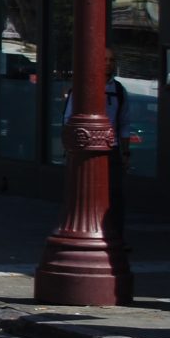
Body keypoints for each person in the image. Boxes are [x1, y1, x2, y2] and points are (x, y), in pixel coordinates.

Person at [65, 46, 132, 251]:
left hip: (110, 149)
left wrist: (125, 152)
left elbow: (125, 123)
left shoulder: (118, 90)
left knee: (115, 196)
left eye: (112, 60)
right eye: (104, 59)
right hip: (86, 151)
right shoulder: (82, 87)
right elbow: (68, 118)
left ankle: (116, 238)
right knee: (86, 196)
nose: (108, 64)